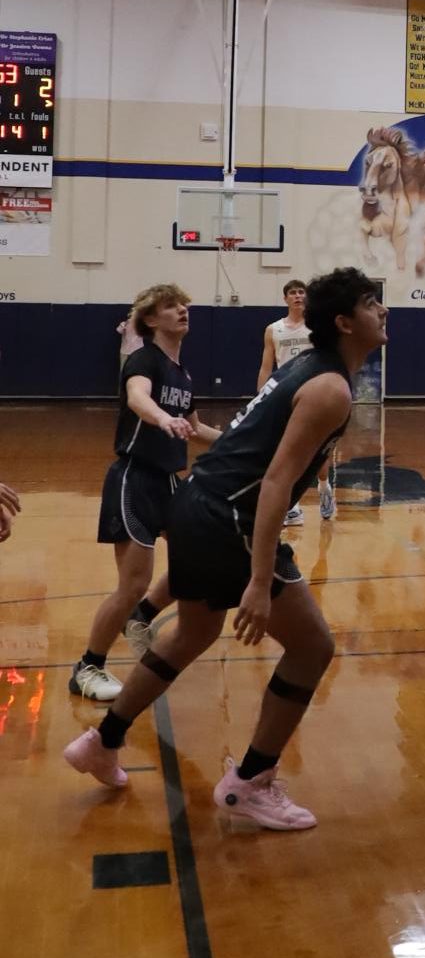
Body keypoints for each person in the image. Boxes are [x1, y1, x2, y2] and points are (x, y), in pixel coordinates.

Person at [64, 268, 387, 828]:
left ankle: (103, 740)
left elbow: (246, 447)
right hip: (226, 519)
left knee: (194, 631)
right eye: (370, 303)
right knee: (312, 648)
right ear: (343, 322)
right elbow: (275, 484)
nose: (383, 310)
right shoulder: (329, 387)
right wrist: (260, 582)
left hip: (195, 502)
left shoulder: (307, 370)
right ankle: (250, 782)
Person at [69, 284, 221, 703]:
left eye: (184, 304)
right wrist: (160, 418)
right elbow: (138, 399)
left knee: (201, 553)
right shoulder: (143, 360)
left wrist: (239, 440)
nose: (183, 310)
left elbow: (196, 427)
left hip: (171, 481)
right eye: (171, 306)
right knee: (133, 582)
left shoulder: (183, 373)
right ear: (152, 319)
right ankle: (87, 667)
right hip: (135, 479)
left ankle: (143, 616)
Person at [255, 279, 337, 526]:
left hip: (315, 392)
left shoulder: (317, 328)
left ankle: (324, 487)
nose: (298, 296)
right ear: (286, 299)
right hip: (285, 394)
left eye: (302, 292)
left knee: (318, 451)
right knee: (286, 450)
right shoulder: (273, 329)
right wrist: (262, 395)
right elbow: (266, 365)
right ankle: (293, 506)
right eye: (293, 292)